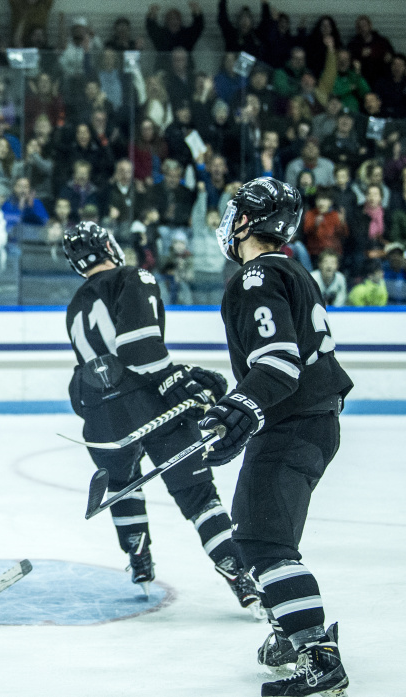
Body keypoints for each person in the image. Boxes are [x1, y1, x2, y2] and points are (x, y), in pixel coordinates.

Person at [200, 177, 352, 696]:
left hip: (293, 423)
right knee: (264, 530)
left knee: (263, 539)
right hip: (310, 421)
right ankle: (290, 632)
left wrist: (241, 406)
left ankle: (317, 654)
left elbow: (278, 363)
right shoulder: (291, 271)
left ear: (246, 221)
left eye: (234, 212)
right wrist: (237, 401)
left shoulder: (257, 275)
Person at [61, 222, 260, 610]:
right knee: (199, 495)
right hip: (149, 404)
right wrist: (175, 378)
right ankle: (238, 572)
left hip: (101, 415)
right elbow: (139, 347)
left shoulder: (75, 304)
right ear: (108, 244)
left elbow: (94, 366)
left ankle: (139, 559)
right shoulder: (132, 276)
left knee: (122, 484)